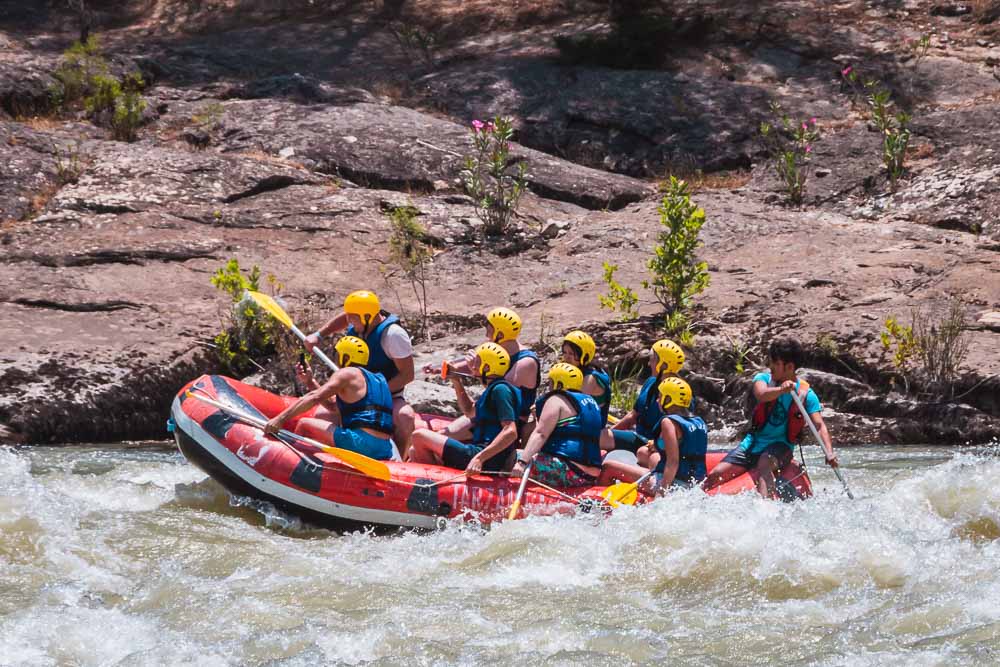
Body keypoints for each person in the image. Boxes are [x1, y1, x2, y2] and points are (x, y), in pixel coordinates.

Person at [703, 337, 839, 498]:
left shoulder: (806, 394)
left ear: (789, 366)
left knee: (764, 463)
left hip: (781, 447)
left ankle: (767, 509)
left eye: (775, 363)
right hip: (752, 443)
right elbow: (761, 395)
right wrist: (781, 390)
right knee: (715, 475)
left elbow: (819, 425)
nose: (770, 366)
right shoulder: (763, 379)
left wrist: (829, 452)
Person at [304, 290, 416, 454]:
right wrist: (319, 335)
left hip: (388, 395)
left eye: (352, 317)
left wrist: (374, 393)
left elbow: (407, 375)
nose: (348, 321)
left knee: (405, 417)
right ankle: (328, 459)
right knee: (323, 415)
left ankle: (399, 461)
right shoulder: (362, 320)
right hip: (353, 391)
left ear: (367, 317)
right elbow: (345, 318)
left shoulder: (393, 336)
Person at [263, 336, 395, 461]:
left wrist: (279, 419)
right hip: (383, 447)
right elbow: (333, 406)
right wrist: (310, 381)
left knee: (305, 424)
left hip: (361, 443)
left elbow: (314, 398)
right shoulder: (377, 380)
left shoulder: (346, 373)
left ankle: (289, 462)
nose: (335, 357)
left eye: (337, 353)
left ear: (346, 357)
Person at [425, 306, 540, 435]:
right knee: (442, 433)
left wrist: (476, 372)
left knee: (442, 436)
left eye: (489, 331)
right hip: (490, 414)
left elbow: (496, 396)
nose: (486, 335)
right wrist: (443, 369)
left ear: (500, 334)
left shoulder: (525, 363)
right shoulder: (498, 351)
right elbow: (477, 364)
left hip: (509, 421)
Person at [409, 342, 519, 473]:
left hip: (486, 456)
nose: (471, 366)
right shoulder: (493, 389)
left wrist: (479, 458)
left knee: (419, 435)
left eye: (476, 362)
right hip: (478, 451)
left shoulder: (501, 390)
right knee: (413, 450)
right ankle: (434, 482)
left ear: (486, 367)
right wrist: (456, 381)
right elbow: (469, 411)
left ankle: (431, 484)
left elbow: (510, 431)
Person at [600, 377, 707, 494]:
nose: (657, 400)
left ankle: (598, 499)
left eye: (660, 396)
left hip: (675, 485)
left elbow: (673, 462)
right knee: (643, 453)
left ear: (668, 400)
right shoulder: (699, 422)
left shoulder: (668, 422)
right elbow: (685, 448)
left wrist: (661, 492)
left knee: (608, 467)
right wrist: (657, 445)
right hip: (695, 484)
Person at [512, 363, 605, 488]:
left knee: (510, 455)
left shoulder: (556, 399)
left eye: (550, 382)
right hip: (590, 475)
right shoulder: (591, 402)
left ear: (559, 384)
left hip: (568, 470)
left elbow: (541, 434)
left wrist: (522, 462)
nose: (549, 387)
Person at [609, 339, 686, 460]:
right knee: (602, 436)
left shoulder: (680, 392)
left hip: (657, 447)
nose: (649, 364)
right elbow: (633, 416)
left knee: (642, 453)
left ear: (663, 365)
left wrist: (659, 445)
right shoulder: (650, 382)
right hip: (639, 438)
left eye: (652, 359)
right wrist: (611, 432)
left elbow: (681, 430)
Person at [560, 330, 612, 426]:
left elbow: (573, 405)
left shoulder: (590, 378)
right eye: (564, 352)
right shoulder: (574, 371)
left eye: (571, 354)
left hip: (592, 430)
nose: (566, 357)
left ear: (584, 355)